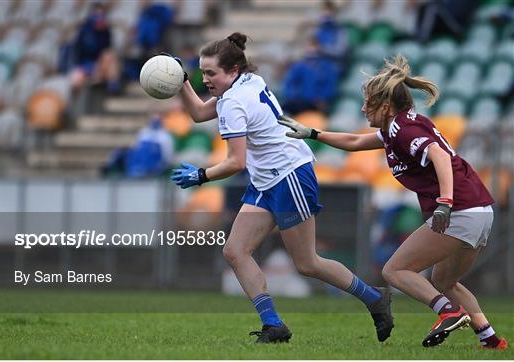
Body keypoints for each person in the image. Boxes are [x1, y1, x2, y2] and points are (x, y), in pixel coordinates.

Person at [168, 32, 393, 343]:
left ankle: (374, 297)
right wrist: (181, 82)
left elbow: (235, 162)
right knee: (235, 251)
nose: (205, 78)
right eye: (202, 72)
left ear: (232, 71)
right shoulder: (247, 81)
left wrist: (201, 176)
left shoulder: (233, 100)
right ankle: (274, 325)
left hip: (289, 175)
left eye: (211, 73)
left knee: (308, 263)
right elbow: (198, 113)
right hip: (266, 179)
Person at [278, 55, 508, 350]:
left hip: (460, 209)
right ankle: (490, 340)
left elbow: (438, 155)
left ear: (385, 106)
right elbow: (356, 142)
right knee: (444, 280)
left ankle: (448, 312)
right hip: (479, 210)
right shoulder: (397, 127)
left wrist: (445, 202)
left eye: (368, 103)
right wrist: (313, 133)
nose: (362, 108)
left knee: (394, 271)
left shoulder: (403, 130)